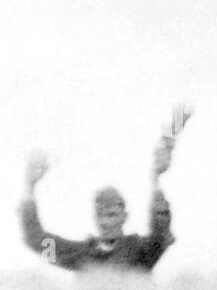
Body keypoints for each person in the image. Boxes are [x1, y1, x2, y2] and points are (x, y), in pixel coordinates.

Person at [19, 104, 189, 273]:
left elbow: (160, 232)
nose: (106, 222)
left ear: (124, 217)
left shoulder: (141, 250)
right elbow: (37, 241)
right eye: (101, 215)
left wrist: (155, 178)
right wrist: (29, 186)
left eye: (112, 215)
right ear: (94, 217)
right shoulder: (81, 255)